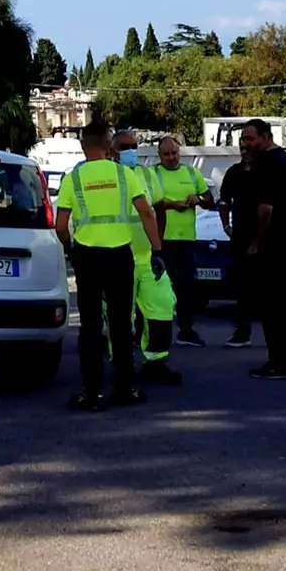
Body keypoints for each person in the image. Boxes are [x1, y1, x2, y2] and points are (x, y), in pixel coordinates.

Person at [55, 121, 166, 412]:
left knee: (90, 324)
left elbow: (60, 225)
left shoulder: (73, 178)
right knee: (120, 323)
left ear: (82, 146)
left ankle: (91, 393)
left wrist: (71, 250)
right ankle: (125, 388)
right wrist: (156, 250)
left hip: (88, 257)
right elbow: (147, 213)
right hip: (120, 256)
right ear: (108, 145)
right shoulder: (123, 174)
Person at [239, 118, 286, 380]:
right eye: (244, 139)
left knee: (273, 306)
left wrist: (256, 241)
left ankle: (279, 362)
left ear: (266, 137)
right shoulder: (279, 162)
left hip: (275, 246)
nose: (247, 144)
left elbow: (265, 209)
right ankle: (281, 358)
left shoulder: (272, 164)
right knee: (278, 306)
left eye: (251, 138)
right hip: (284, 244)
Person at [112, 130, 182, 385]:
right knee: (120, 315)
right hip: (118, 257)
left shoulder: (146, 174)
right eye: (124, 146)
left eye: (134, 146)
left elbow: (158, 210)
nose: (131, 151)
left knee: (162, 305)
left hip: (146, 256)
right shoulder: (109, 176)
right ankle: (121, 364)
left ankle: (156, 360)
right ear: (112, 149)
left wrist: (158, 248)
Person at [153, 136, 214, 347]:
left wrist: (198, 199)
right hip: (161, 240)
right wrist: (172, 205)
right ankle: (155, 334)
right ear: (159, 155)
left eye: (175, 153)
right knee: (159, 290)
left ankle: (186, 330)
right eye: (166, 154)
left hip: (186, 240)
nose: (171, 158)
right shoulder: (153, 174)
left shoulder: (191, 172)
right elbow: (149, 203)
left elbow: (209, 200)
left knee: (186, 287)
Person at [219, 140, 255, 347]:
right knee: (242, 286)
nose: (246, 153)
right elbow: (224, 200)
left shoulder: (265, 171)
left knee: (269, 287)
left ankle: (280, 337)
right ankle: (242, 331)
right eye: (243, 150)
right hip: (240, 235)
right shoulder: (234, 172)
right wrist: (226, 226)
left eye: (249, 149)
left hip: (265, 234)